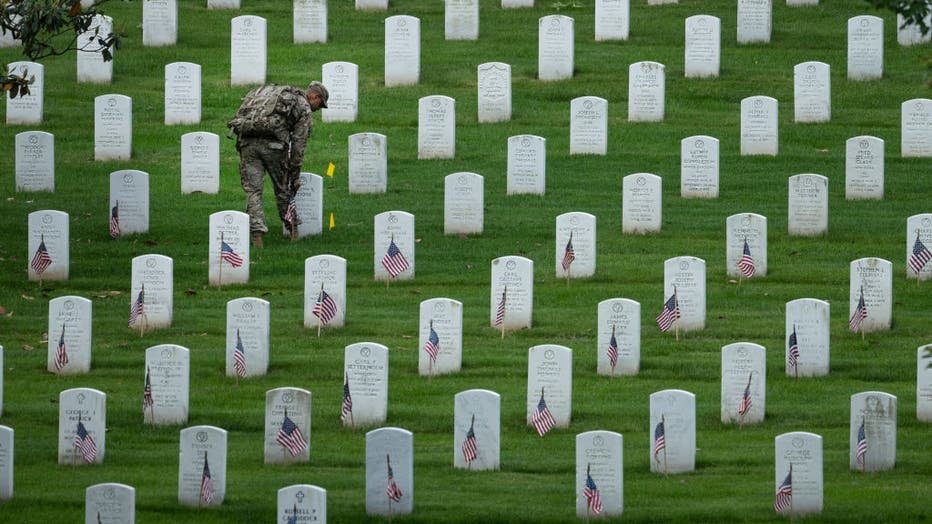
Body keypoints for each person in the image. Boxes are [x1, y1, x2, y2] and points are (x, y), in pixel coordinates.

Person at [228, 81, 328, 247]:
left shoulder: (269, 94)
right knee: (283, 188)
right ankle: (293, 230)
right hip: (274, 146)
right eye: (320, 104)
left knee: (253, 191)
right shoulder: (303, 107)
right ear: (314, 96)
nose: (318, 109)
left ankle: (257, 236)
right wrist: (294, 175)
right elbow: (298, 145)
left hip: (247, 143)